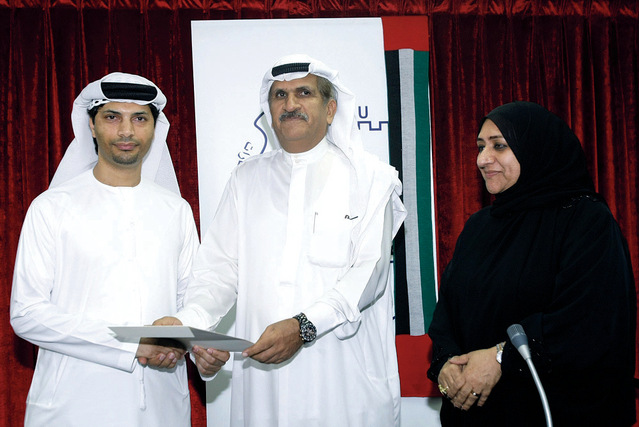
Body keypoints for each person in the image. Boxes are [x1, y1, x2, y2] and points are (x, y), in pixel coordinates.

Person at [155, 54, 407, 426]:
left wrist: (304, 326)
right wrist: (193, 326)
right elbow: (217, 272)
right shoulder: (245, 179)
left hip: (342, 380)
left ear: (330, 109)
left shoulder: (371, 178)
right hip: (263, 382)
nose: (290, 104)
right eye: (279, 95)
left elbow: (370, 275)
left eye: (304, 92)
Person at [427, 101, 637, 426]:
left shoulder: (585, 220)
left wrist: (501, 357)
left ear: (535, 148)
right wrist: (446, 362)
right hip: (477, 414)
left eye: (499, 146)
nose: (483, 159)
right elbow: (448, 313)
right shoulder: (479, 226)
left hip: (554, 410)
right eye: (480, 147)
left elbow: (589, 321)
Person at [10, 72, 202, 426]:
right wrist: (131, 344)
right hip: (73, 405)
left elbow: (193, 301)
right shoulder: (51, 207)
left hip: (162, 406)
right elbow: (26, 313)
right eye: (112, 117)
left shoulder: (176, 210)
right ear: (92, 126)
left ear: (154, 129)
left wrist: (195, 343)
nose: (126, 131)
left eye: (139, 118)